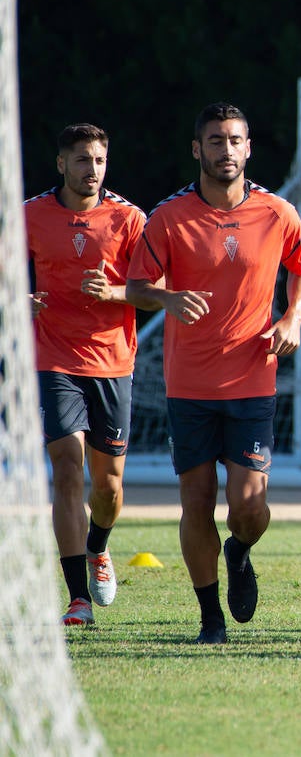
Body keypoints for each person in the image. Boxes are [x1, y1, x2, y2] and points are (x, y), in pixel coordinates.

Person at [127, 103, 301, 644]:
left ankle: (238, 551)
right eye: (215, 141)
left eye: (234, 140)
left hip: (253, 378)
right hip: (188, 386)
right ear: (197, 149)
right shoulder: (168, 217)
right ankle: (210, 617)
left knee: (250, 508)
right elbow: (137, 286)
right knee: (196, 501)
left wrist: (292, 318)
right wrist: (167, 297)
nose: (225, 150)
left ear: (248, 148)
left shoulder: (279, 213)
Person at [26, 123, 149, 627]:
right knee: (67, 465)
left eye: (98, 160)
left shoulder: (129, 218)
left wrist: (116, 295)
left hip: (112, 362)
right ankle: (77, 598)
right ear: (61, 164)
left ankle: (99, 545)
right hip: (53, 359)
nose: (91, 169)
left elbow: (154, 288)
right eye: (81, 160)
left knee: (109, 487)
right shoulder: (29, 215)